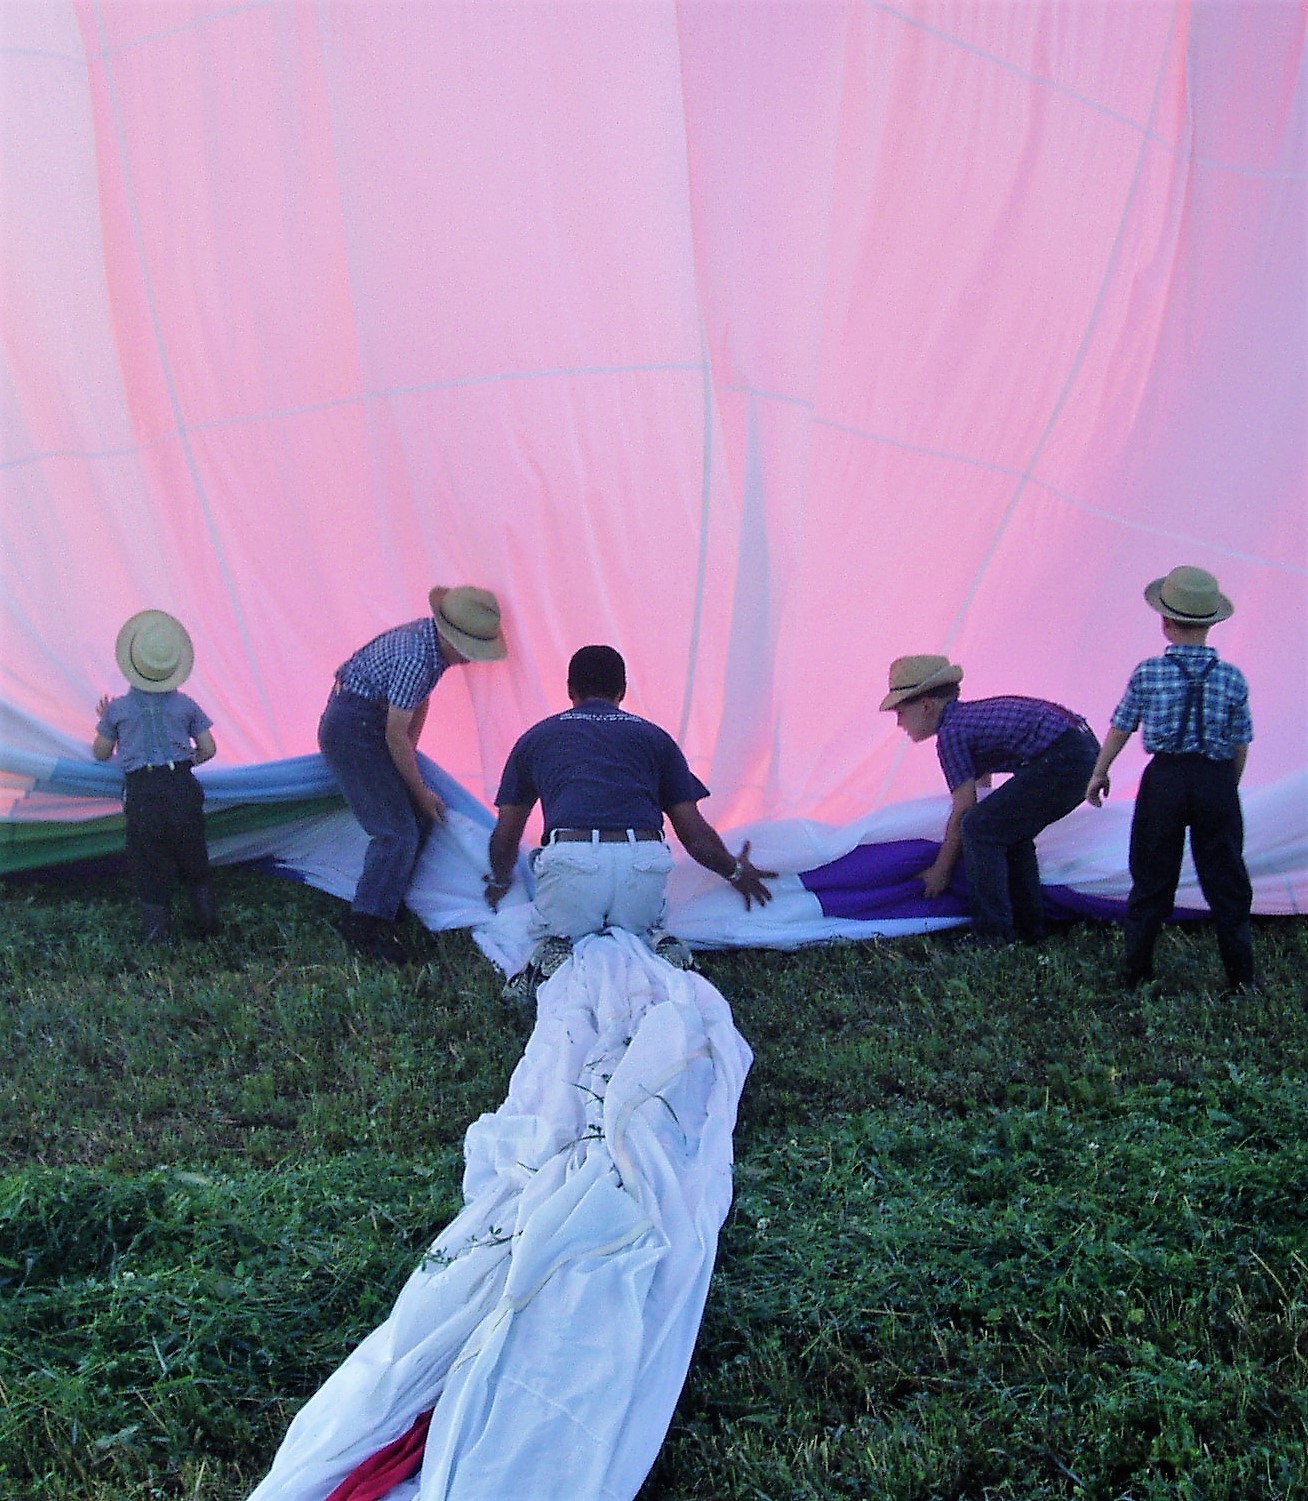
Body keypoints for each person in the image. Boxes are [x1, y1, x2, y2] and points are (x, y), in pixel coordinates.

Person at [485, 644, 774, 994]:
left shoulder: (537, 738)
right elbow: (694, 834)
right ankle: (656, 944)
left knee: (550, 936)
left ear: (569, 691)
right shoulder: (654, 738)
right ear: (622, 691)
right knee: (637, 932)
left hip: (571, 864)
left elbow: (507, 833)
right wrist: (736, 872)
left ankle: (555, 951)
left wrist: (500, 881)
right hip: (642, 866)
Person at [1086, 566, 1254, 990]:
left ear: (1164, 621)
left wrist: (1100, 770)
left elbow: (1121, 725)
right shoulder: (1232, 677)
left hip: (1164, 780)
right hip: (1214, 779)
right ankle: (1242, 980)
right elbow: (1240, 744)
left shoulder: (1147, 673)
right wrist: (1224, 789)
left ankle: (1135, 975)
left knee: (1151, 876)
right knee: (1226, 877)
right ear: (1212, 623)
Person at [319, 586, 507, 962]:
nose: (471, 660)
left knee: (413, 825)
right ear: (453, 638)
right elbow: (393, 733)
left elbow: (414, 710)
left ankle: (386, 899)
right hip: (353, 729)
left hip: (368, 726)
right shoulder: (416, 657)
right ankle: (363, 924)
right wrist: (420, 791)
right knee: (395, 831)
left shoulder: (428, 648)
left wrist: (411, 762)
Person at [881, 655, 1099, 945]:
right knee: (1007, 833)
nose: (899, 724)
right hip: (1080, 750)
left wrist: (941, 871)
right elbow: (982, 791)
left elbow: (965, 807)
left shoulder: (952, 734)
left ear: (926, 706)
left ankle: (992, 934)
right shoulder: (968, 720)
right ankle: (1029, 929)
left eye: (901, 713)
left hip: (1065, 757)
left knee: (979, 829)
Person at [93, 610, 218, 945]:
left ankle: (157, 937)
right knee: (193, 853)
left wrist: (107, 721)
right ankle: (209, 927)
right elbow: (209, 748)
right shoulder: (186, 705)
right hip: (181, 785)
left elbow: (100, 753)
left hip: (143, 791)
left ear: (132, 664)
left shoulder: (117, 709)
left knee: (149, 859)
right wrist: (189, 759)